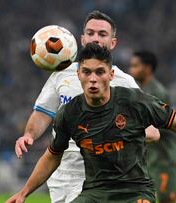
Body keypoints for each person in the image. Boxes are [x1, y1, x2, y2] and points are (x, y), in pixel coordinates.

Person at [6, 43, 176, 203]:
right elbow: (52, 155)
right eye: (87, 72)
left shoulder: (135, 101)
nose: (93, 79)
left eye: (100, 72)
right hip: (95, 193)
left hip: (134, 192)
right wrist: (24, 192)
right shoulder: (69, 113)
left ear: (111, 74)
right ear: (79, 75)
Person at [15, 10, 160, 203]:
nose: (95, 38)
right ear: (82, 39)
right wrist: (29, 135)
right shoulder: (62, 74)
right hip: (62, 173)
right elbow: (43, 112)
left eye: (102, 34)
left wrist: (113, 132)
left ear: (113, 43)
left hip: (102, 175)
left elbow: (151, 131)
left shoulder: (125, 82)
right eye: (90, 33)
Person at [129, 51, 176, 203]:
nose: (131, 70)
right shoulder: (136, 89)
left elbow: (162, 125)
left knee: (166, 198)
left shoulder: (158, 92)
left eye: (135, 66)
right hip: (147, 156)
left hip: (163, 157)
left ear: (148, 68)